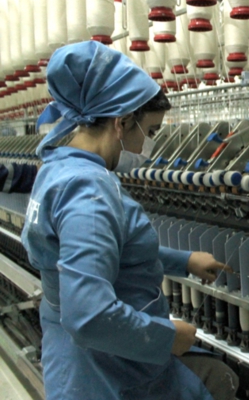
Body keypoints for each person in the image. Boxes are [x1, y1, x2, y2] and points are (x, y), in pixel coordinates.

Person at [21, 41, 238, 400]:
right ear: (121, 123)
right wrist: (167, 337)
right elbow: (89, 316)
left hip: (78, 359)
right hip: (110, 371)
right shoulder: (89, 192)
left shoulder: (60, 167)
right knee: (220, 380)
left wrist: (183, 261)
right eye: (150, 132)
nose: (147, 148)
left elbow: (110, 250)